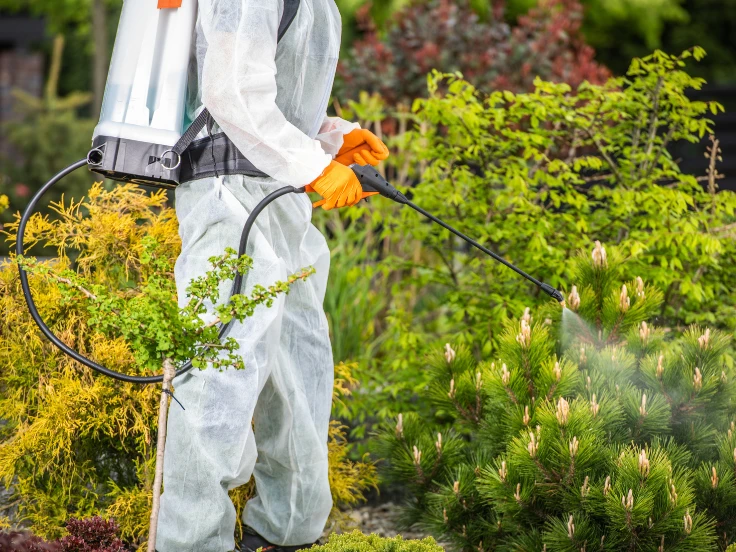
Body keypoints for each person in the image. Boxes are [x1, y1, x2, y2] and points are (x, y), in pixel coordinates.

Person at [155, 1, 389, 551]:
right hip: (227, 197)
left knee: (300, 360)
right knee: (222, 369)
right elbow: (229, 93)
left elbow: (269, 90)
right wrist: (314, 167)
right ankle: (191, 542)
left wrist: (330, 137)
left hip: (280, 198)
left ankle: (289, 530)